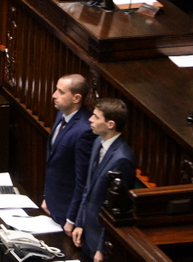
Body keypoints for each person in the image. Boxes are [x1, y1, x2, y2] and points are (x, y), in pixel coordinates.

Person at [70, 98, 135, 262]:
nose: (90, 119)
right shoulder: (98, 141)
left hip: (101, 242)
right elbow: (88, 188)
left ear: (110, 124)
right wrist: (79, 223)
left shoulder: (122, 160)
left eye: (96, 117)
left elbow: (116, 210)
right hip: (86, 232)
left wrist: (102, 247)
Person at [41, 74, 95, 232]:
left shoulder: (85, 131)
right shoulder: (62, 114)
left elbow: (82, 180)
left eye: (61, 92)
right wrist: (47, 197)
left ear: (76, 98)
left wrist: (72, 219)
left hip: (67, 214)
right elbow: (53, 163)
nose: (54, 95)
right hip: (53, 206)